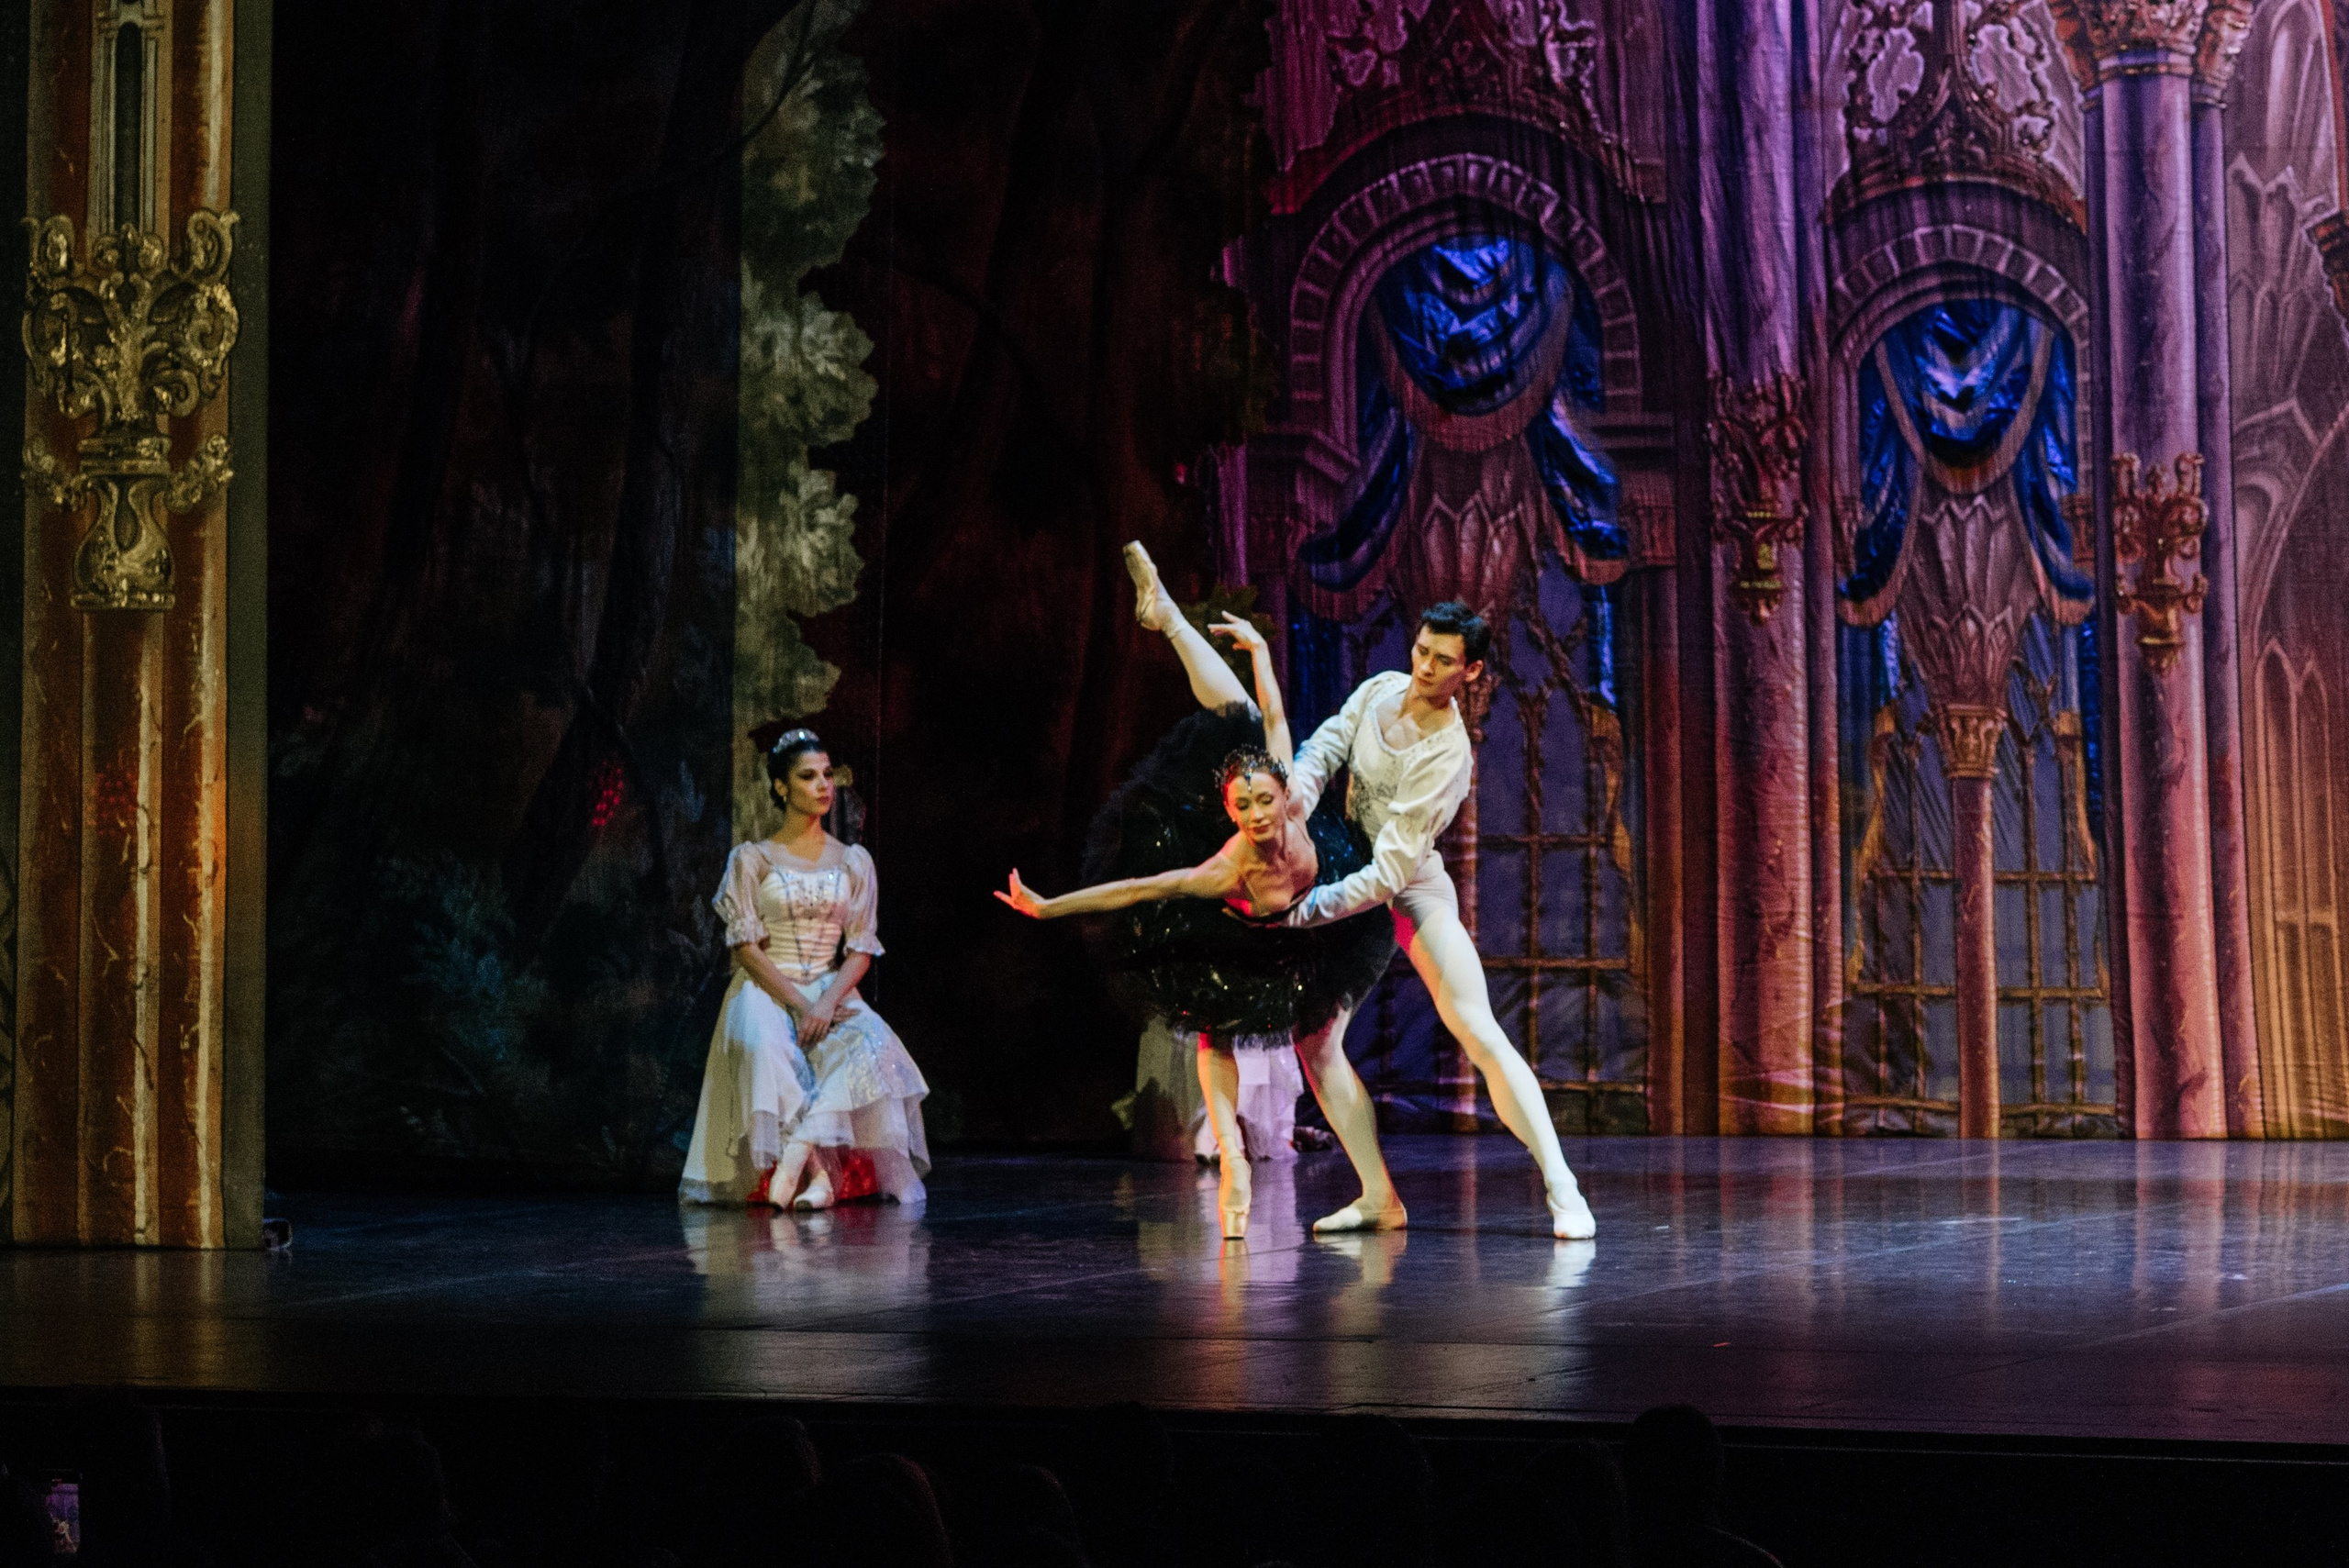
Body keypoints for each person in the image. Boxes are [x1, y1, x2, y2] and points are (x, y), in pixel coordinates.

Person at [1126, 545, 1596, 1240]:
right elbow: (1325, 747)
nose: (1426, 666)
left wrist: (1303, 910)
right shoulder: (1380, 688)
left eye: (1443, 660)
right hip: (1335, 854)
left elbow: (1390, 871)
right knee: (1317, 1044)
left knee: (1477, 1026)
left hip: (1401, 886)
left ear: (1470, 672)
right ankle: (1380, 1195)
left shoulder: (1448, 756)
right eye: (1422, 649)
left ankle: (1562, 1184)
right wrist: (1294, 804)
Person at [995, 545, 1392, 1240]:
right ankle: (1232, 1157)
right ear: (1233, 814)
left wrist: (1264, 648)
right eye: (1248, 808)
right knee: (1216, 1025)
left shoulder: (1294, 798)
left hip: (1313, 918)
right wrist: (1050, 906)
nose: (1263, 816)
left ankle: (1168, 617)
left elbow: (1271, 710)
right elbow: (1139, 888)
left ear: (1282, 794)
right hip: (1243, 934)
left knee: (1241, 712)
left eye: (1267, 801)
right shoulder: (1225, 866)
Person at [680, 728, 930, 1208]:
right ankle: (818, 1175)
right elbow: (746, 949)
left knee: (875, 1044)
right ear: (781, 787)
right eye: (807, 776)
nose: (822, 786)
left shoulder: (853, 860)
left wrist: (828, 1001)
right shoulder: (753, 859)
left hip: (828, 985)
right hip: (768, 984)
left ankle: (797, 1156)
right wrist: (799, 1006)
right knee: (766, 1048)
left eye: (827, 775)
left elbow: (860, 947)